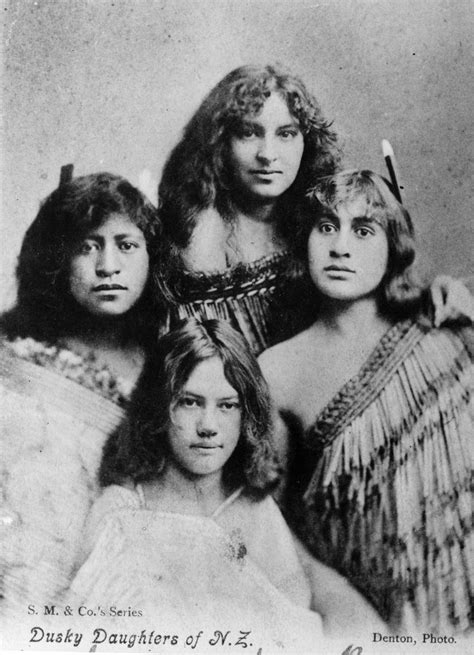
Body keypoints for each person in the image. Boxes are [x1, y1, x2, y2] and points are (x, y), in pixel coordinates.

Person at [68, 319, 384, 652]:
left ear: (246, 415)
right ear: (160, 407)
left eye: (227, 405)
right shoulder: (120, 513)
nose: (208, 426)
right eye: (190, 402)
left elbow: (296, 635)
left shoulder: (257, 513)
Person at [258, 170, 473, 635]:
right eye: (326, 226)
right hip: (377, 614)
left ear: (393, 244)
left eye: (363, 229)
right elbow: (262, 517)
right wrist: (332, 597)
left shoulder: (437, 323)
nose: (340, 247)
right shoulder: (278, 371)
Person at [158, 63, 472, 355]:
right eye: (249, 132)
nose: (268, 154)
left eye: (286, 134)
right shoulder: (203, 229)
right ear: (219, 143)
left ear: (307, 142)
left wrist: (434, 291)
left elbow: (377, 296)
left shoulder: (324, 215)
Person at [0, 172, 166, 625]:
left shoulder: (173, 360)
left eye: (126, 245)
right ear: (56, 258)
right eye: (87, 246)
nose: (107, 265)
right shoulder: (16, 360)